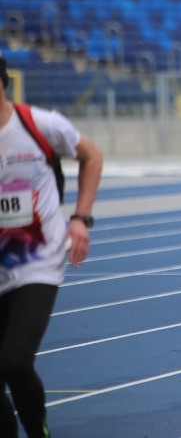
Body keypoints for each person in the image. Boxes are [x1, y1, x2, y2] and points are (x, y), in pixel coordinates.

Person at [0, 57, 103, 437]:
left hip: (36, 261)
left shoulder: (39, 124)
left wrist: (81, 218)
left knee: (13, 360)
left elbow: (92, 156)